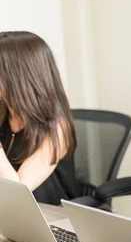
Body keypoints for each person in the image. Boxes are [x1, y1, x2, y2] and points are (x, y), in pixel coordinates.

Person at [0, 31, 77, 206]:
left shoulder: (59, 128)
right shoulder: (4, 113)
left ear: (18, 76)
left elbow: (19, 191)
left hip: (47, 219)